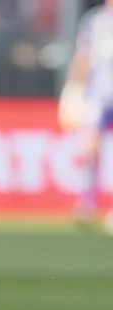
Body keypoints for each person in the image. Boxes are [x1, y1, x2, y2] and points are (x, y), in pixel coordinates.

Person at [60, 0, 113, 231]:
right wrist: (74, 88)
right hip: (99, 93)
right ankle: (88, 204)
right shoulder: (94, 20)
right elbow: (83, 58)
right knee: (90, 146)